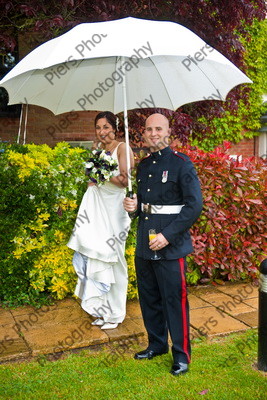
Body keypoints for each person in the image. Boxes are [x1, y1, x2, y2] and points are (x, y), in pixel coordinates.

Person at [123, 113, 202, 375]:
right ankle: (157, 345)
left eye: (159, 128)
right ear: (143, 134)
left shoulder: (182, 164)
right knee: (149, 298)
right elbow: (144, 209)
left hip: (171, 245)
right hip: (145, 243)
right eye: (149, 129)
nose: (153, 133)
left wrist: (167, 236)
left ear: (168, 132)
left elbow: (194, 206)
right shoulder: (143, 166)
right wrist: (132, 207)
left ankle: (181, 355)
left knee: (174, 301)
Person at [68, 111, 134, 330]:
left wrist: (102, 172)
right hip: (98, 210)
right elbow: (95, 178)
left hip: (115, 211)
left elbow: (125, 181)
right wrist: (94, 176)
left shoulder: (122, 148)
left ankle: (117, 313)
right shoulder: (97, 150)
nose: (102, 131)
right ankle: (102, 311)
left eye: (106, 127)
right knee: (97, 257)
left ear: (114, 128)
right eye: (98, 127)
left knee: (114, 260)